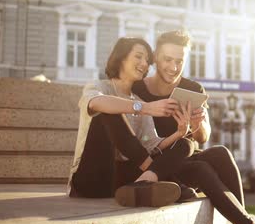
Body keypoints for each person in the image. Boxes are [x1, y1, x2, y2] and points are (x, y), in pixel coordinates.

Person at [132, 30, 255, 224]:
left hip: (185, 156)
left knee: (220, 153)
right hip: (157, 163)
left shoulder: (193, 90)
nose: (174, 67)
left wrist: (197, 124)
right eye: (168, 60)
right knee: (199, 166)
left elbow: (203, 136)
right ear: (155, 58)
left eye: (179, 61)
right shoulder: (138, 90)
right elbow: (137, 139)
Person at [67, 37, 195, 208]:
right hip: (90, 179)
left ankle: (145, 182)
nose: (144, 64)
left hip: (119, 182)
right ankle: (164, 180)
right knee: (108, 109)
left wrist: (179, 133)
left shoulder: (139, 100)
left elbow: (151, 144)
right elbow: (95, 103)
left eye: (147, 60)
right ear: (121, 57)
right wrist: (144, 108)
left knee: (185, 143)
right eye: (138, 56)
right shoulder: (100, 87)